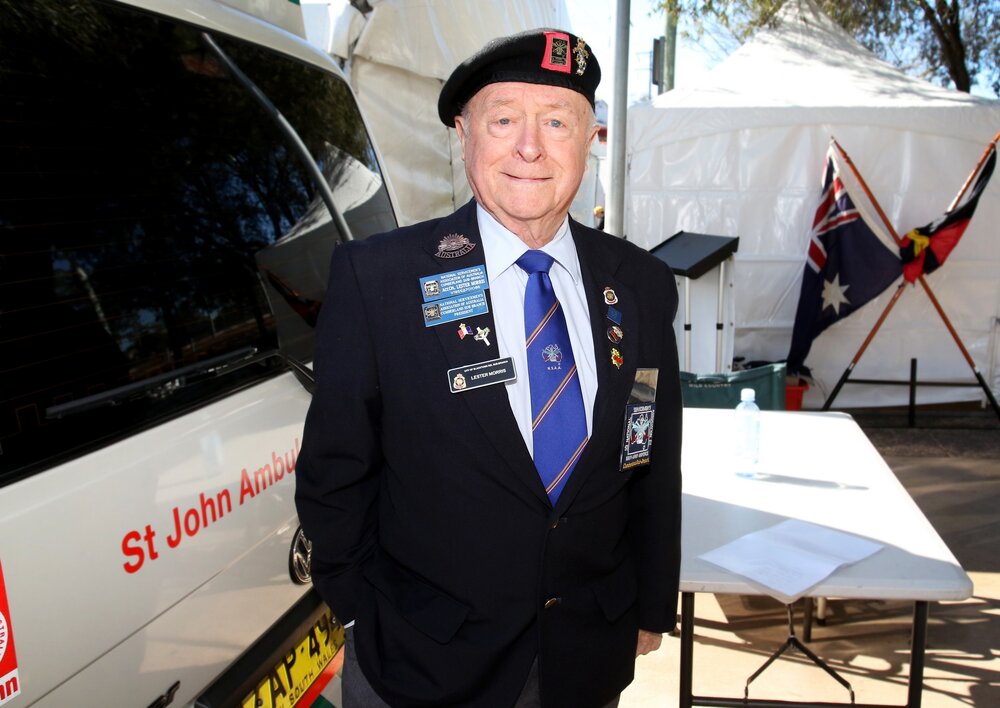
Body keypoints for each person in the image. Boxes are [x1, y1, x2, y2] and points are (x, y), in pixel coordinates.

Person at [295, 28, 682, 708]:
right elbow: (335, 473)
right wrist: (357, 613)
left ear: (591, 139)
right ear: (463, 133)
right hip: (421, 664)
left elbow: (651, 454)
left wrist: (650, 604)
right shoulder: (378, 280)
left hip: (586, 659)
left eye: (557, 122)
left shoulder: (642, 284)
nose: (530, 147)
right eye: (504, 120)